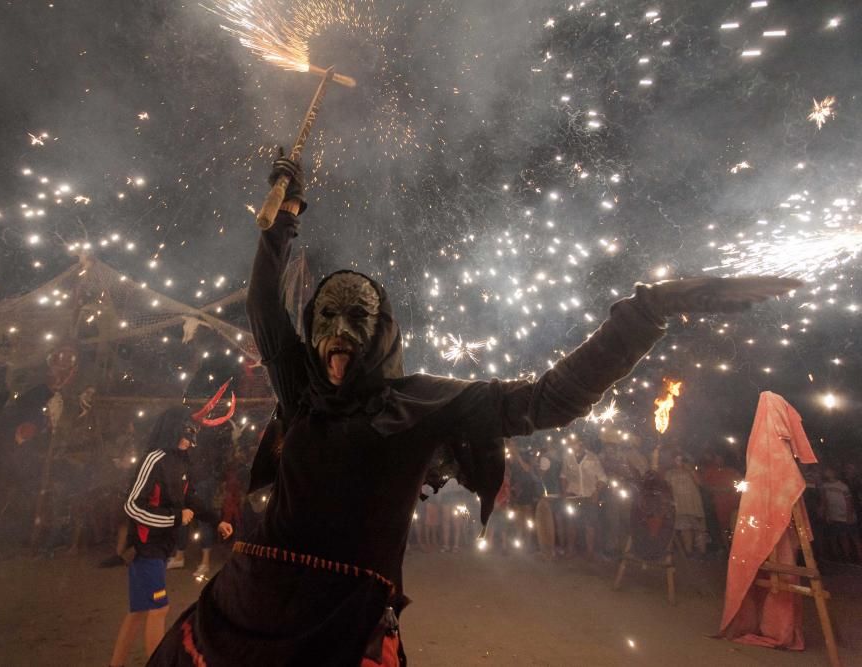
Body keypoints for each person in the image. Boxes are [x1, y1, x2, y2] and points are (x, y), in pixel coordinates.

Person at [149, 155, 798, 666]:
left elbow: (547, 398)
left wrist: (645, 312)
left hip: (341, 631)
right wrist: (286, 208)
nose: (339, 333)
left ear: (383, 332)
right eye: (326, 318)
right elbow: (265, 306)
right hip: (245, 613)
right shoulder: (302, 392)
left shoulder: (422, 402)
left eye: (356, 317)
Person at [109, 406, 234, 666]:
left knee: (138, 612)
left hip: (160, 547)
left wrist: (217, 520)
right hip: (146, 548)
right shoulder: (155, 459)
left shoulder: (181, 461)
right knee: (159, 608)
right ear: (173, 429)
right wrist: (175, 518)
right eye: (185, 433)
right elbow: (132, 505)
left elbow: (189, 498)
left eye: (192, 435)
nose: (189, 440)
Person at [560, 440, 608, 559]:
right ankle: (570, 550)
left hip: (589, 495)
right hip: (573, 495)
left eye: (574, 443)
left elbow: (603, 478)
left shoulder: (592, 458)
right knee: (571, 524)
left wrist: (597, 492)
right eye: (571, 443)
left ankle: (590, 552)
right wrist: (564, 491)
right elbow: (563, 476)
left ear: (581, 444)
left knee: (589, 524)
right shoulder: (567, 458)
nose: (572, 446)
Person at [663, 453, 707, 557]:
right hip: (679, 504)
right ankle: (689, 552)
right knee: (685, 529)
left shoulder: (690, 470)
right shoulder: (669, 473)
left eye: (681, 459)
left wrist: (691, 470)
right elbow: (666, 488)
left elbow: (700, 483)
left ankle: (702, 553)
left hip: (693, 503)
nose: (678, 461)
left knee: (699, 528)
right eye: (676, 459)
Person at [819, 466, 861, 562]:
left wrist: (849, 516)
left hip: (846, 516)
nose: (827, 472)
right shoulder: (825, 486)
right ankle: (847, 556)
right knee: (842, 537)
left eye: (829, 470)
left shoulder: (843, 486)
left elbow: (849, 502)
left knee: (854, 537)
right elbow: (824, 500)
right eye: (826, 470)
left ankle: (859, 556)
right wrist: (827, 514)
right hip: (835, 515)